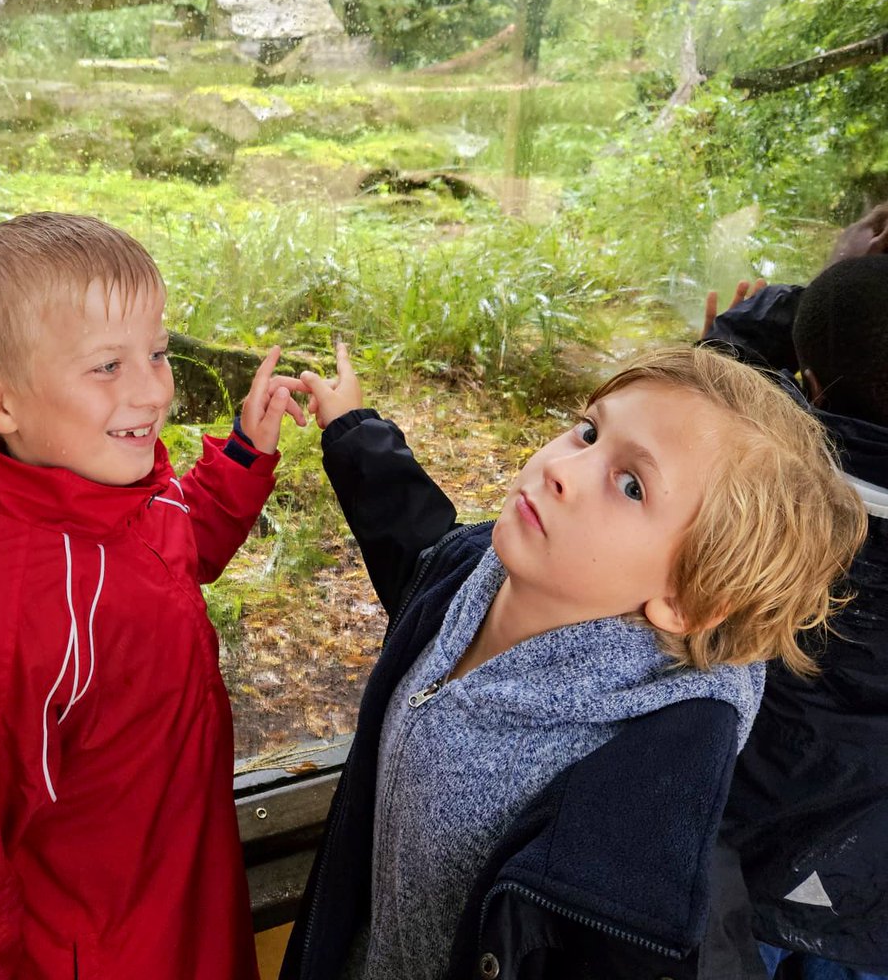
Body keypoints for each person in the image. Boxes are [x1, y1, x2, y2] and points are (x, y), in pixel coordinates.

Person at [281, 343, 866, 980]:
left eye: (632, 484)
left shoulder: (640, 798)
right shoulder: (486, 572)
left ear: (687, 598)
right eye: (589, 431)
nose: (564, 467)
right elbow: (418, 552)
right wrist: (353, 431)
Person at [0, 212, 306, 980]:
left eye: (158, 353)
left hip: (187, 894)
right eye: (107, 366)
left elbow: (178, 548)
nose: (154, 390)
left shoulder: (121, 487)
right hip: (97, 951)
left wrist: (242, 454)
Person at [706, 249, 888, 980]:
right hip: (869, 891)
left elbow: (698, 395)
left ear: (807, 382)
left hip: (736, 851)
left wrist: (738, 350)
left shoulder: (763, 488)